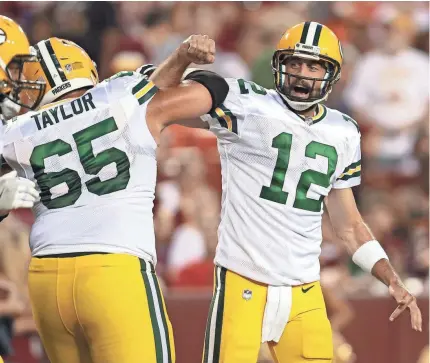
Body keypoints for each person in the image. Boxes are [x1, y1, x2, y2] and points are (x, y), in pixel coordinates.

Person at [149, 22, 422, 363]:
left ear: (331, 73)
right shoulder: (246, 103)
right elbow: (155, 102)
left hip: (304, 290)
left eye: (313, 66)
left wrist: (391, 278)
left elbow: (349, 226)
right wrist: (181, 59)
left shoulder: (344, 132)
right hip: (243, 280)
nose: (301, 74)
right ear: (279, 66)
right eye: (294, 63)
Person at [1, 35, 226, 363]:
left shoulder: (16, 130)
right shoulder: (123, 95)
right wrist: (184, 62)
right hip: (114, 270)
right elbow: (212, 92)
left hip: (46, 278)